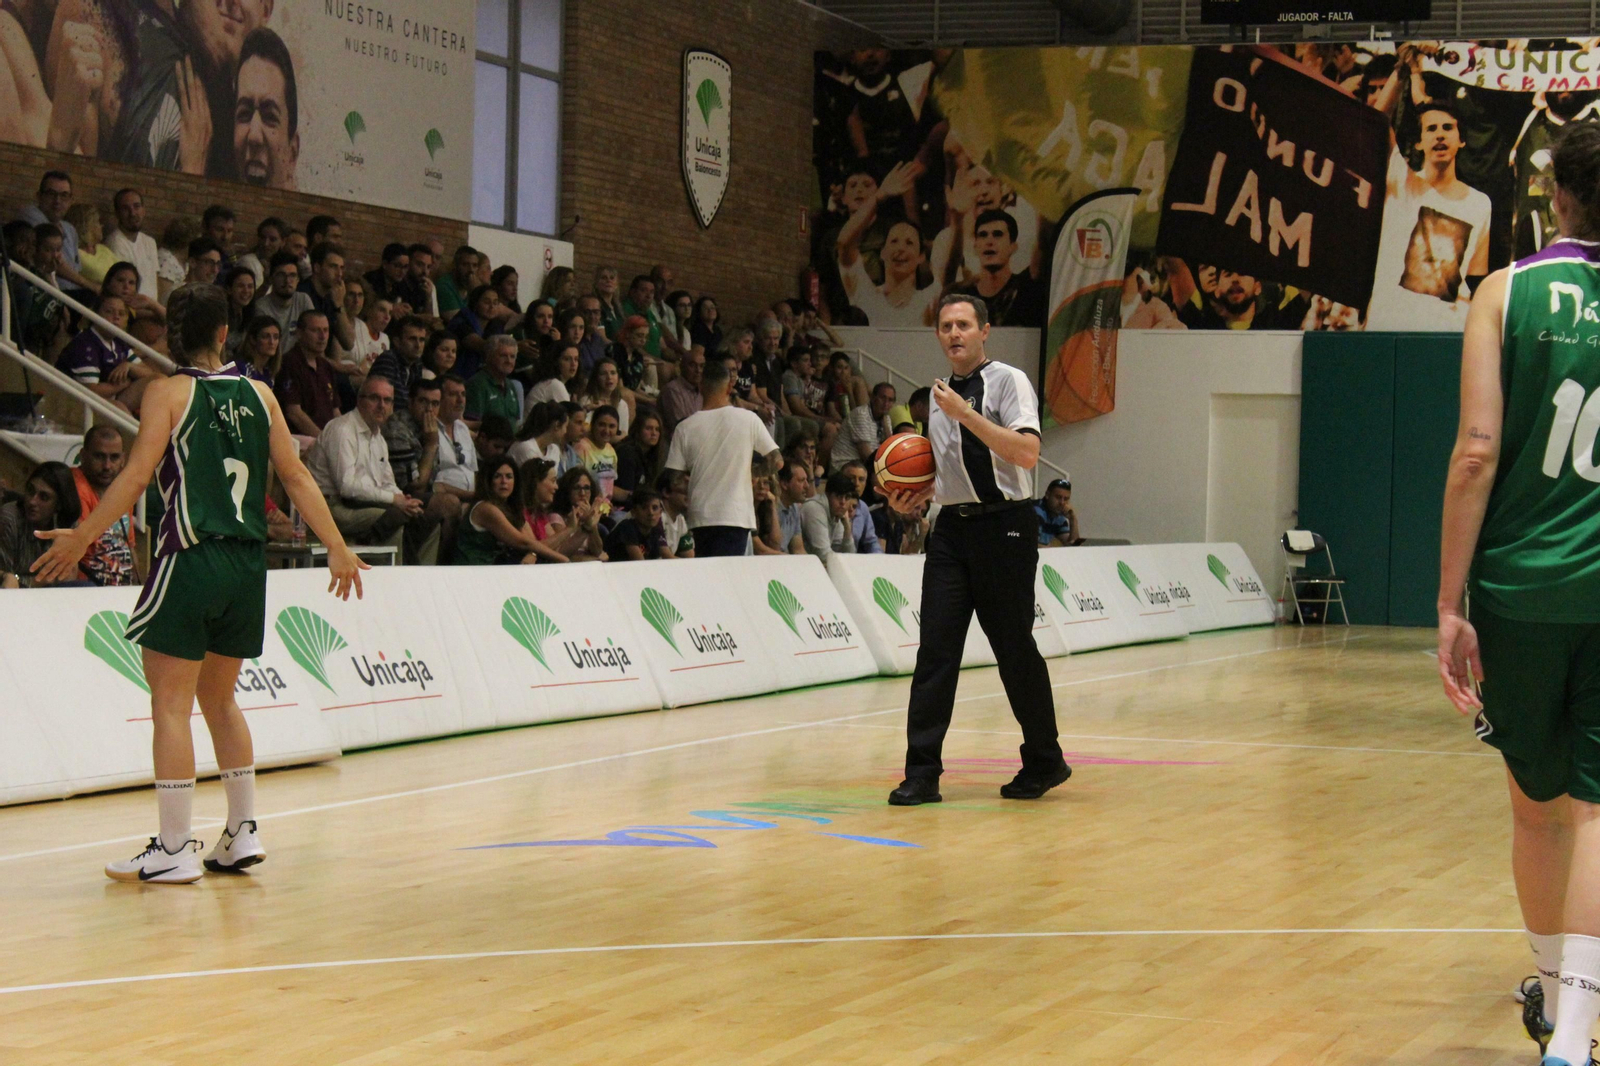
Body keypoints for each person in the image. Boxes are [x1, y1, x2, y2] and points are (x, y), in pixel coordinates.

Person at [30, 284, 365, 882]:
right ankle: (241, 832)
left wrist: (82, 536)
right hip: (246, 566)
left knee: (170, 703)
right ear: (222, 334)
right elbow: (294, 475)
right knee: (220, 700)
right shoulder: (261, 394)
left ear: (172, 338)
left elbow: (135, 476)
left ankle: (175, 846)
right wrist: (336, 545)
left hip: (191, 555)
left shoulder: (166, 392)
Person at [1436, 121, 1600, 1066]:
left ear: (1557, 198)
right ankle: (1573, 1039)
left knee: (1537, 810)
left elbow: (1476, 453)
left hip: (1520, 591)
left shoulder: (1508, 291)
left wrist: (1450, 602)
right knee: (1596, 811)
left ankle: (1549, 991)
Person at [883, 293, 1069, 807]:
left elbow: (1026, 453)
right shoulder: (943, 398)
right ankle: (921, 774)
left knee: (1013, 650)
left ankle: (1044, 759)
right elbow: (951, 476)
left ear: (985, 330)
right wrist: (913, 498)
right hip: (951, 533)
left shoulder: (1007, 381)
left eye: (964, 324)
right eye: (945, 326)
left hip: (1006, 528)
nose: (954, 333)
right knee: (935, 653)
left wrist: (964, 414)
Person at [306, 376, 442, 566]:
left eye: (387, 400)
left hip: (360, 504)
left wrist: (404, 500)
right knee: (396, 518)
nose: (381, 405)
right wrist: (395, 501)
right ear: (359, 400)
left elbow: (387, 483)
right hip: (330, 507)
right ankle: (395, 578)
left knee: (426, 520)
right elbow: (347, 486)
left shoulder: (378, 437)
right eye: (374, 398)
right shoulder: (343, 430)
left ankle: (422, 577)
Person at [663, 359, 781, 557]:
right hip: (735, 514)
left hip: (701, 515)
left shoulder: (685, 427)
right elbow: (776, 460)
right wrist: (751, 473)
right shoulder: (748, 419)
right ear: (729, 386)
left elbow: (673, 478)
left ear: (700, 387)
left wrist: (697, 478)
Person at [838, 161, 940, 327]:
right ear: (882, 252)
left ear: (921, 256)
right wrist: (878, 197)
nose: (901, 248)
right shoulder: (865, 295)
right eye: (894, 241)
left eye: (909, 243)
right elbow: (844, 244)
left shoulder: (930, 301)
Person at [56, 293, 160, 414]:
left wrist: (129, 366)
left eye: (121, 314)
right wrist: (124, 383)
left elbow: (148, 373)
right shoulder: (85, 343)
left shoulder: (118, 341)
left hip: (109, 397)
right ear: (95, 314)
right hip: (71, 403)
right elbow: (92, 391)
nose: (116, 317)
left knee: (158, 380)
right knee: (119, 408)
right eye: (109, 312)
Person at [72, 426, 139, 586]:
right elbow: (75, 551)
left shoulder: (122, 489)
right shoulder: (74, 487)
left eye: (114, 457)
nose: (107, 466)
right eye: (99, 457)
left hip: (121, 591)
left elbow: (129, 548)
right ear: (83, 455)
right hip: (87, 591)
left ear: (123, 459)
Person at [0, 461, 82, 588]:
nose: (32, 501)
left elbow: (69, 577)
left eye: (44, 497)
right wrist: (45, 581)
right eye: (30, 491)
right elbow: (7, 581)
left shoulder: (67, 523)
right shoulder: (10, 518)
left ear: (59, 504)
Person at [453, 457, 542, 565]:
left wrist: (533, 554)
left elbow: (532, 542)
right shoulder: (485, 508)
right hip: (473, 572)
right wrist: (564, 560)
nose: (504, 481)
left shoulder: (512, 508)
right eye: (497, 476)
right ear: (488, 481)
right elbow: (524, 543)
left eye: (509, 477)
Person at [275, 310, 342, 439]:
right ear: (299, 333)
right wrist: (324, 441)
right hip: (300, 440)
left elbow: (335, 411)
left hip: (326, 438)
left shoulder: (326, 366)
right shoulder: (289, 363)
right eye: (315, 330)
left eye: (326, 330)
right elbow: (294, 414)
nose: (322, 336)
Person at [18, 170, 89, 290]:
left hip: (73, 293)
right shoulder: (30, 216)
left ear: (71, 200)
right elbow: (54, 261)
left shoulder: (70, 229)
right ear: (39, 196)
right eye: (51, 194)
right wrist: (90, 285)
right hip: (46, 292)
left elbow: (76, 270)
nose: (57, 201)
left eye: (64, 195)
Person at [106, 189, 162, 302]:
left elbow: (154, 282)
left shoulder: (150, 242)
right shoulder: (115, 242)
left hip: (151, 308)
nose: (133, 213)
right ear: (117, 213)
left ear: (144, 210)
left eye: (136, 206)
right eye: (126, 208)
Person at [298, 244, 354, 353]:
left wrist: (339, 305)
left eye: (341, 268)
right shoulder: (302, 294)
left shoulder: (333, 297)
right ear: (317, 267)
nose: (339, 274)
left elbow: (349, 343)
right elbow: (309, 348)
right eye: (333, 267)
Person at [252, 251, 315, 349]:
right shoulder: (261, 307)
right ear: (272, 278)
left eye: (292, 275)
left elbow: (313, 336)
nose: (287, 280)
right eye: (281, 275)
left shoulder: (303, 300)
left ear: (298, 279)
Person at [433, 374, 479, 505]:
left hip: (470, 501)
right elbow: (435, 484)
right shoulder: (429, 430)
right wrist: (473, 496)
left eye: (463, 394)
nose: (460, 400)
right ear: (439, 399)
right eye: (453, 394)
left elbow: (473, 471)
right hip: (445, 502)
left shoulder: (462, 428)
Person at [101, 261, 167, 348]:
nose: (126, 286)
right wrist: (157, 347)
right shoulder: (101, 309)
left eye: (131, 283)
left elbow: (171, 319)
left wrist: (152, 304)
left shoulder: (130, 311)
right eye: (120, 280)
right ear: (108, 284)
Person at [833, 382, 895, 473]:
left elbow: (892, 450)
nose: (886, 403)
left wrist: (885, 426)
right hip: (844, 464)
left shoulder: (886, 418)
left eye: (890, 400)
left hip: (863, 466)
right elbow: (866, 456)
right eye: (883, 398)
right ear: (873, 397)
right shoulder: (861, 414)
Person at [465, 335, 524, 430]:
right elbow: (470, 425)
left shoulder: (511, 385)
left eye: (512, 356)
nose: (509, 361)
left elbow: (516, 423)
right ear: (489, 357)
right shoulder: (477, 385)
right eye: (503, 356)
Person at [800, 470, 859, 561]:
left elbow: (849, 556)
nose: (843, 502)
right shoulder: (814, 509)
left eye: (847, 497)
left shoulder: (837, 514)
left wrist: (847, 528)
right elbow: (823, 554)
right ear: (828, 495)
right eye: (838, 496)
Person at [551, 466, 607, 560]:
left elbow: (597, 550)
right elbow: (563, 553)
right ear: (567, 490)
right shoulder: (556, 517)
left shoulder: (590, 515)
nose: (582, 493)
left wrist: (592, 525)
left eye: (586, 488)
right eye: (577, 488)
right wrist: (586, 527)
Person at [614, 409, 665, 505]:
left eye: (657, 429)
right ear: (638, 430)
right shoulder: (627, 453)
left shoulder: (651, 457)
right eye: (649, 428)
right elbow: (626, 492)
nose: (654, 433)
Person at [606, 489, 672, 561]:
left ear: (660, 512)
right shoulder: (626, 527)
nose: (651, 513)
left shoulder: (656, 530)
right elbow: (640, 563)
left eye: (655, 508)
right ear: (634, 512)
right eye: (644, 508)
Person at [577, 356, 636, 434]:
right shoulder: (586, 401)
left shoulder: (622, 404)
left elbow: (623, 434)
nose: (609, 377)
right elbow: (582, 431)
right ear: (596, 378)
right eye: (603, 374)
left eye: (613, 373)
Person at [65, 203, 118, 288]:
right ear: (86, 225)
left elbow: (123, 270)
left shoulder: (103, 249)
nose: (102, 226)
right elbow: (101, 275)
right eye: (97, 222)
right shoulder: (77, 254)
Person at [840, 459, 884, 554]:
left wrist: (880, 559)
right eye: (851, 478)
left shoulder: (863, 507)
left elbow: (871, 542)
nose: (856, 484)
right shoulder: (834, 504)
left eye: (861, 479)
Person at [580, 405, 622, 502]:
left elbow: (609, 488)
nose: (606, 431)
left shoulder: (611, 451)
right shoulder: (582, 447)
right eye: (602, 425)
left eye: (612, 426)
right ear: (593, 425)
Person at [509, 401, 568, 468]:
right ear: (557, 425)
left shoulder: (554, 450)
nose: (566, 431)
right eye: (566, 426)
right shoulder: (526, 448)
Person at [660, 346, 706, 432]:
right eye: (692, 365)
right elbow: (681, 427)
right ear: (682, 367)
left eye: (702, 366)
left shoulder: (704, 391)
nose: (698, 370)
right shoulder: (672, 390)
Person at [235, 217, 287, 287]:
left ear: (283, 242)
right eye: (263, 238)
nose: (266, 243)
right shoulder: (249, 263)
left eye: (272, 239)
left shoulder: (282, 265)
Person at [436, 245, 480, 322]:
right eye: (465, 265)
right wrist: (475, 293)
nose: (471, 270)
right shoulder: (444, 286)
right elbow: (456, 320)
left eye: (474, 265)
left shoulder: (470, 286)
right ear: (455, 265)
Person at [657, 469, 695, 558]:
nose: (690, 496)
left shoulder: (680, 519)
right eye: (685, 492)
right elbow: (667, 557)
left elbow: (689, 556)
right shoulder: (656, 515)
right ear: (666, 492)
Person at [1036, 477, 1084, 547]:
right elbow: (1030, 545)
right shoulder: (1036, 511)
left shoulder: (1058, 516)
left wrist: (1073, 520)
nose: (1062, 503)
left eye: (1066, 499)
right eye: (1058, 497)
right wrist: (1052, 550)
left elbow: (1073, 547)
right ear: (1047, 495)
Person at [776, 460, 811, 554]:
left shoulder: (794, 508)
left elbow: (798, 549)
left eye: (806, 480)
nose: (807, 486)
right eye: (801, 481)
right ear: (784, 484)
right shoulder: (771, 508)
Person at [239, 315, 282, 389]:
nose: (272, 342)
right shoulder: (243, 369)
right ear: (253, 339)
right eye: (265, 336)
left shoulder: (268, 373)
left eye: (276, 337)